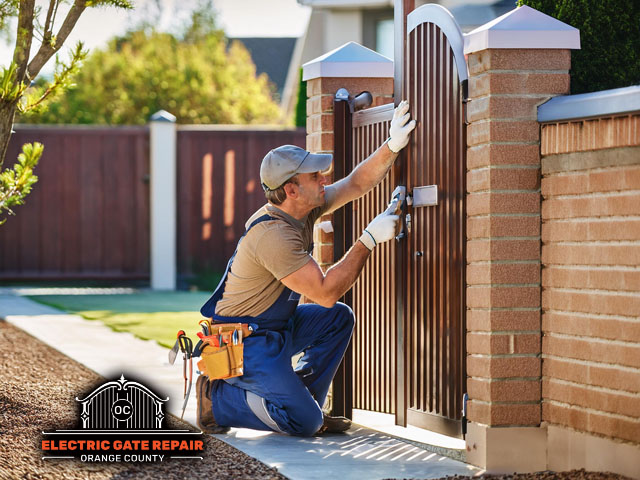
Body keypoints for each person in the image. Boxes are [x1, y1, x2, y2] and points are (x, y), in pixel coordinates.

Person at [196, 100, 416, 436]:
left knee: (338, 318)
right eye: (315, 175)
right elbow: (325, 292)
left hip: (275, 328)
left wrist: (392, 145)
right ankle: (219, 399)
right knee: (306, 423)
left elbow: (356, 184)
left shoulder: (302, 208)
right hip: (246, 342)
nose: (323, 178)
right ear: (291, 190)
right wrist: (368, 239)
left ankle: (300, 403)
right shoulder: (273, 235)